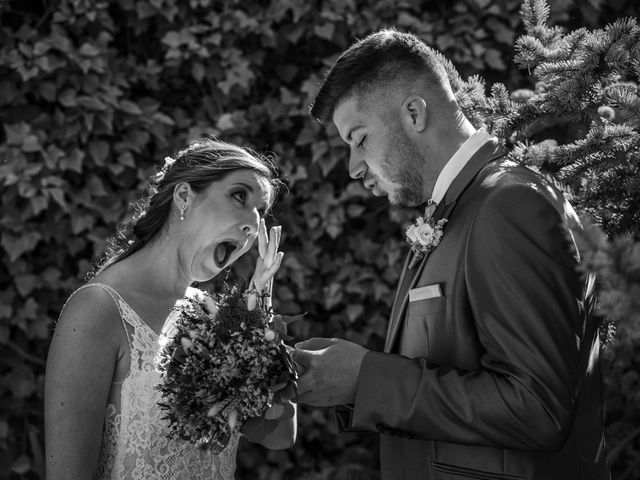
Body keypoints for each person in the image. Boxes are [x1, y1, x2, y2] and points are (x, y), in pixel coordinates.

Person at [293, 29, 609, 479]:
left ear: (414, 113)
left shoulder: (509, 205)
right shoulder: (462, 208)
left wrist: (368, 377)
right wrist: (349, 380)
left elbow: (537, 408)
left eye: (359, 139)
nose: (353, 168)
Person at [44, 139, 295, 480]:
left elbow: (281, 435)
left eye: (261, 211)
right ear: (184, 197)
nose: (253, 223)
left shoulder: (211, 316)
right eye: (240, 196)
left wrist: (258, 309)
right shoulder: (98, 309)